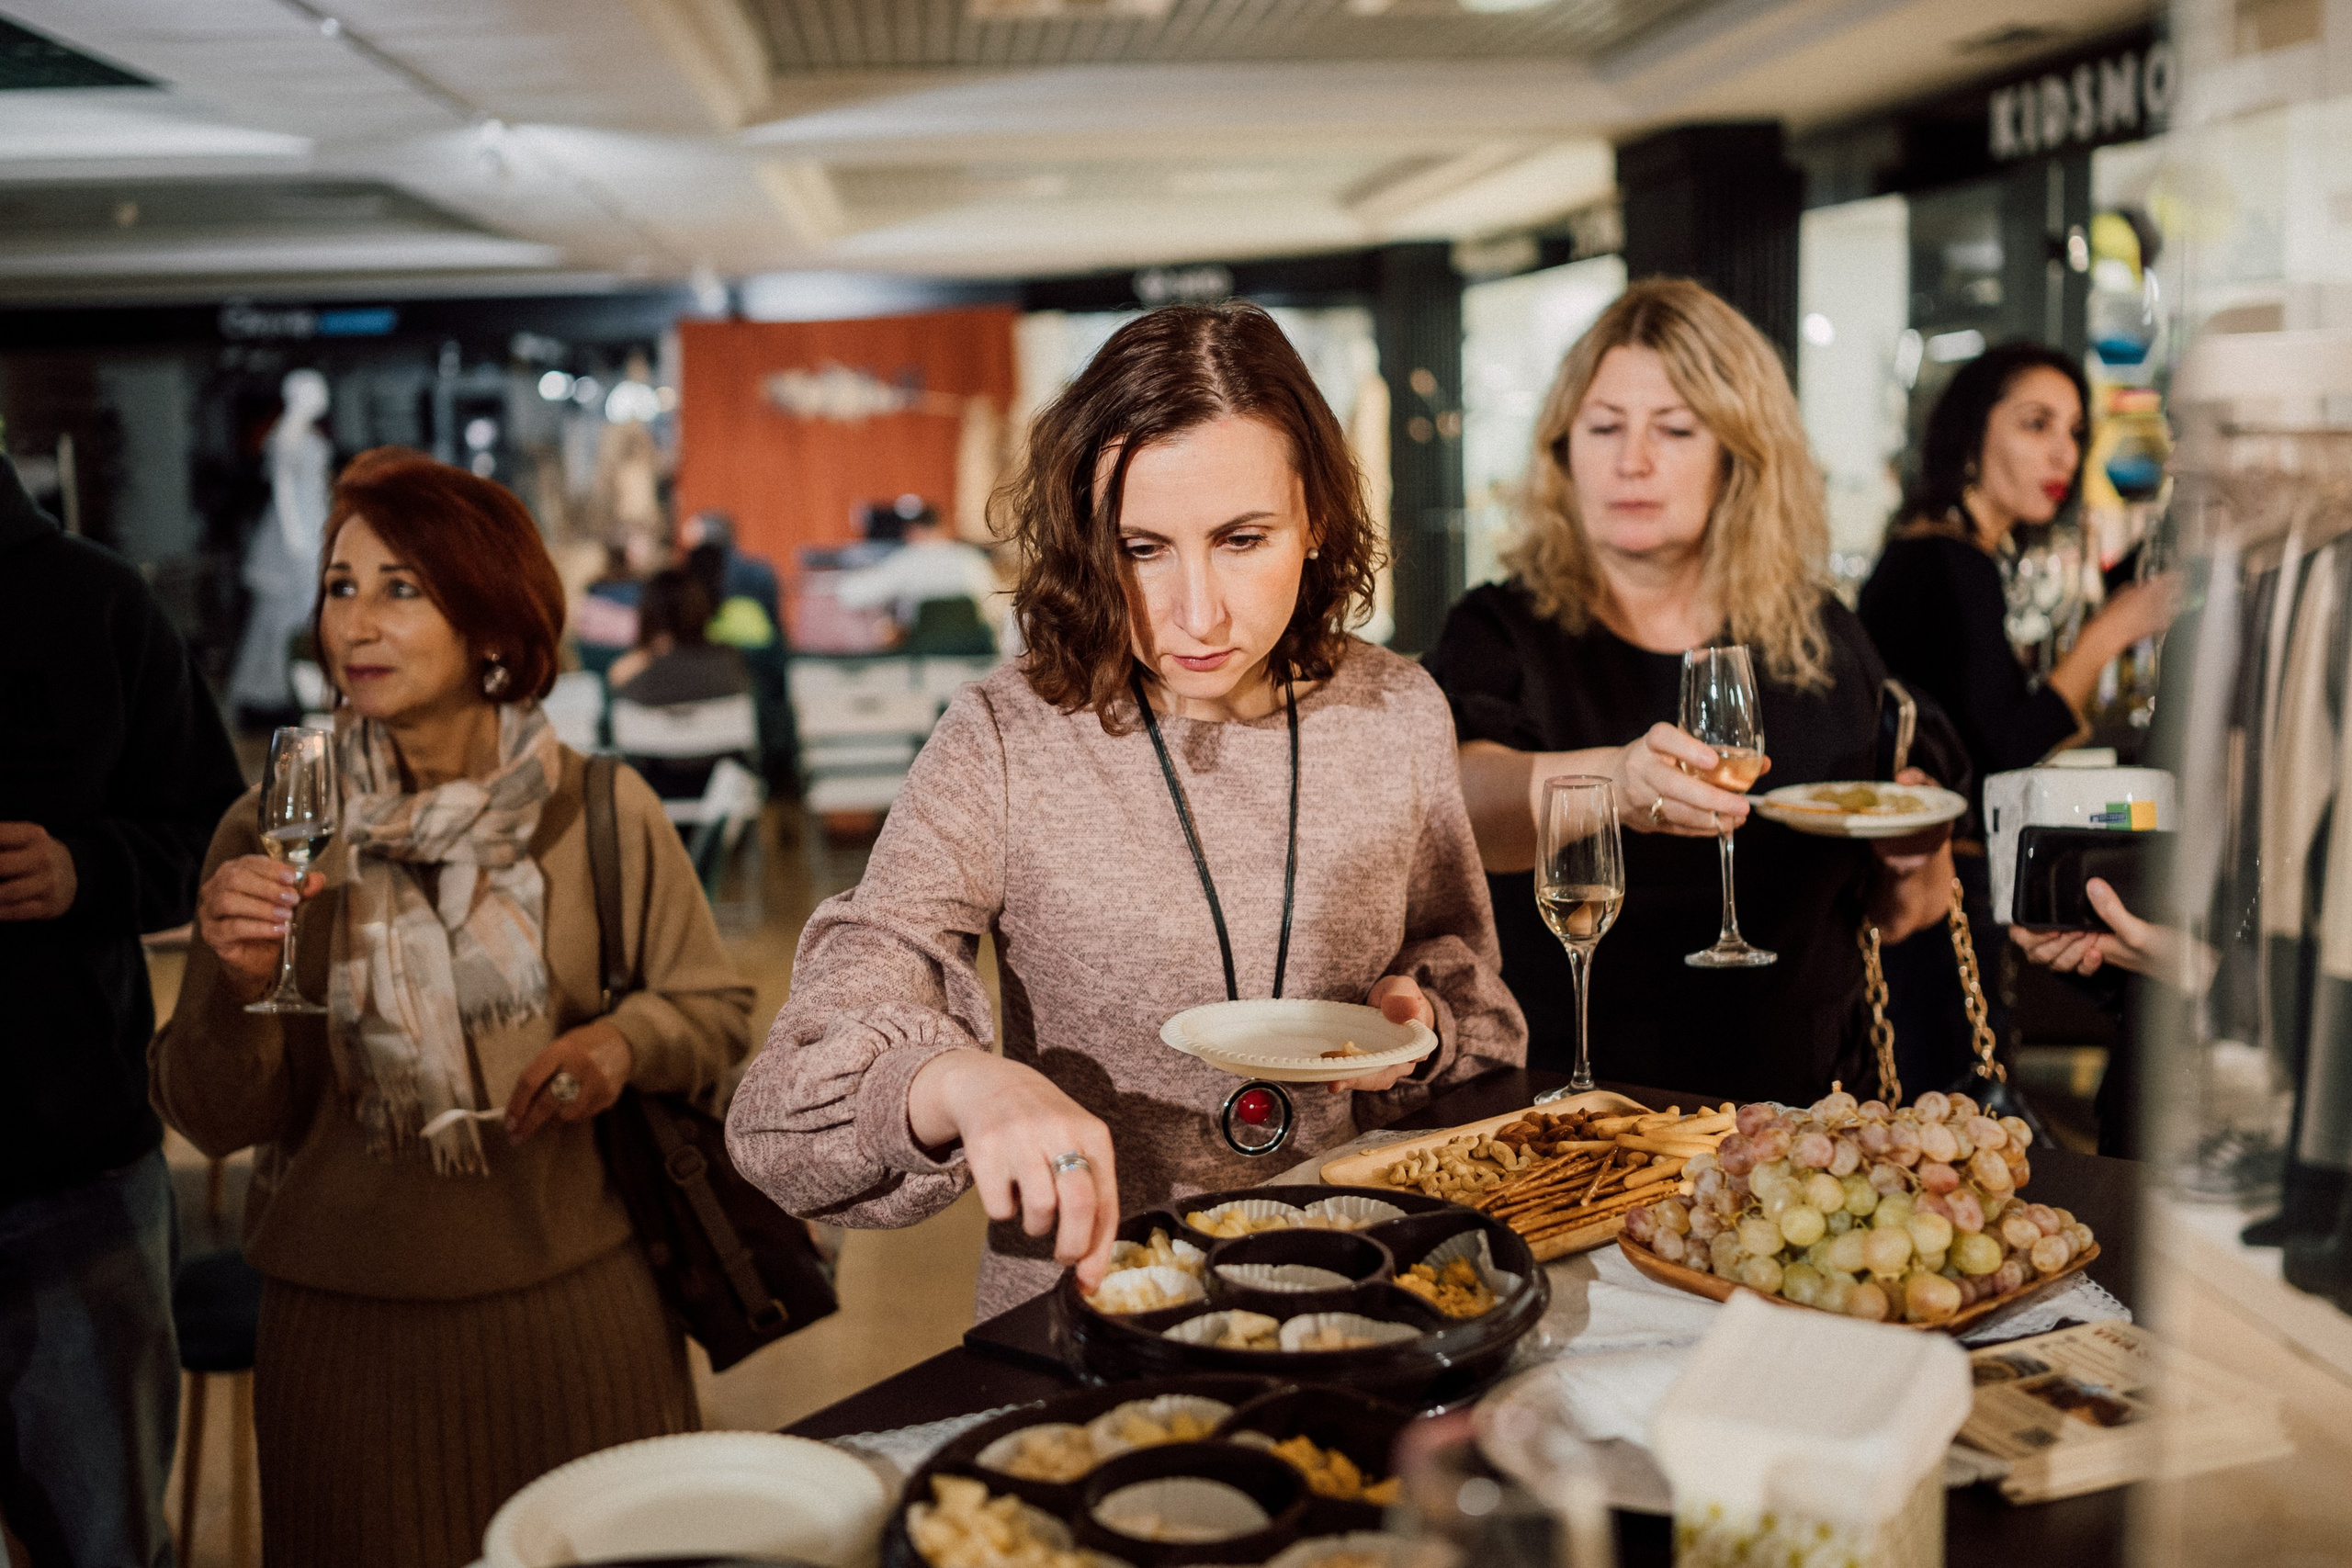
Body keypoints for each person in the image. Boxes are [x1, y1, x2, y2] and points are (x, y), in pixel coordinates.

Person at [725, 303, 1527, 1317]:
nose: (1195, 613)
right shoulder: (1004, 736)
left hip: (1362, 1286)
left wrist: (1423, 1018)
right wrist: (960, 1085)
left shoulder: (1394, 707)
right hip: (1095, 1312)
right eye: (1141, 549)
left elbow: (1465, 983)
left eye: (1242, 539)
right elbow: (778, 1130)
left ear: (1316, 519)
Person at [153, 449, 752, 1568]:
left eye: (401, 588)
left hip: (580, 1321)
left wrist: (623, 1044)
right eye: (341, 586)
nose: (356, 624)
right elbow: (216, 1116)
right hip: (346, 1345)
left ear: (492, 625)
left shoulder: (604, 812)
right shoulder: (278, 823)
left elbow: (713, 1012)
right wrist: (233, 990)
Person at [1424, 279, 1959, 1103]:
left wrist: (1915, 856)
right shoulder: (1503, 630)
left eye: (1674, 429)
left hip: (1801, 1110)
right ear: (1563, 449)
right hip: (1575, 1104)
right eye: (1604, 427)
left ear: (1738, 456)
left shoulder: (1819, 638)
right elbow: (1456, 802)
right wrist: (1618, 782)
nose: (1632, 461)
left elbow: (1897, 914)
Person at [1, 455, 245, 1568]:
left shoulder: (89, 599)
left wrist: (83, 870)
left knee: (105, 1540)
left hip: (70, 1173)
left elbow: (210, 827)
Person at [1859, 343, 2178, 789]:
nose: (2064, 455)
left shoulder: (1930, 550)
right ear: (1970, 433)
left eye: (2074, 432)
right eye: (2036, 424)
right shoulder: (1949, 563)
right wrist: (2111, 631)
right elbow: (2003, 756)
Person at [832, 498, 1005, 645]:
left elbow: (851, 596)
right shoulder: (971, 558)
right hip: (974, 655)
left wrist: (859, 567)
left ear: (911, 531)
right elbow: (997, 609)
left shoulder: (908, 560)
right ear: (942, 527)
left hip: (923, 658)